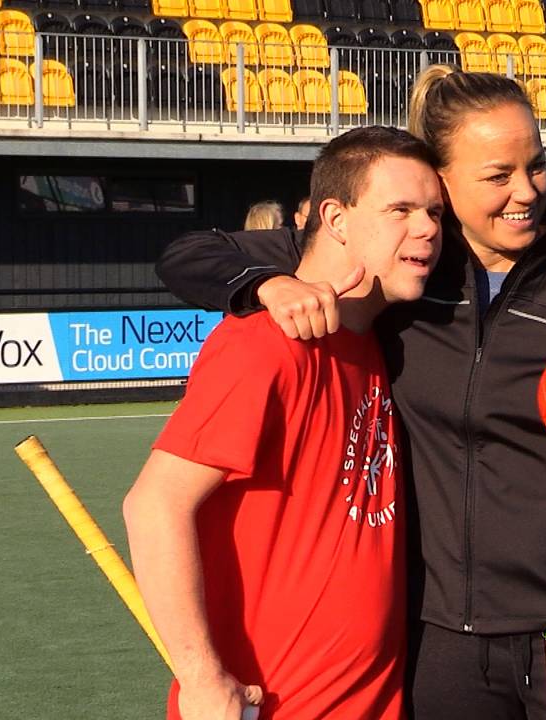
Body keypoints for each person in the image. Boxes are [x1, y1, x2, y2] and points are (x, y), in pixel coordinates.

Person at [156, 66, 546, 720]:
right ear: (442, 181)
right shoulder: (404, 268)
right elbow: (191, 253)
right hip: (437, 635)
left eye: (537, 165)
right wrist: (265, 284)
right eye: (497, 175)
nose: (527, 191)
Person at [124, 126, 444, 720]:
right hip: (272, 704)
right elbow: (153, 504)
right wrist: (200, 677)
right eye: (400, 210)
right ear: (336, 218)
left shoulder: (374, 344)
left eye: (434, 213)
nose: (427, 228)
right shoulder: (266, 343)